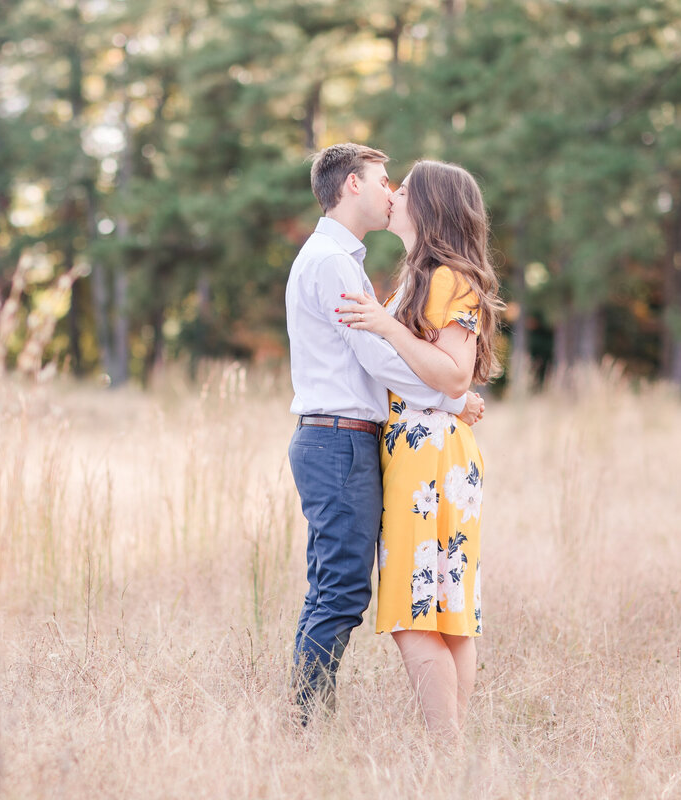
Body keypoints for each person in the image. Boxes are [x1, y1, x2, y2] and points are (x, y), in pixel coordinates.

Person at [285, 144, 485, 722]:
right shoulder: (333, 263)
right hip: (342, 439)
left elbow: (398, 355)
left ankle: (308, 721)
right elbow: (378, 358)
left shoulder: (361, 265)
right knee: (344, 591)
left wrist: (451, 393)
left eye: (399, 184)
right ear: (352, 185)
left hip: (379, 445)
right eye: (381, 179)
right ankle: (305, 721)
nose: (391, 191)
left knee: (399, 597)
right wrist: (451, 395)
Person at [336, 159, 503, 738]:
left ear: (428, 205)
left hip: (431, 456)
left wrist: (386, 327)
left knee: (420, 614)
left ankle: (445, 754)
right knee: (445, 613)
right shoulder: (421, 276)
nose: (391, 194)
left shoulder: (446, 278)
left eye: (402, 189)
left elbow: (454, 375)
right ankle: (450, 756)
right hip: (430, 448)